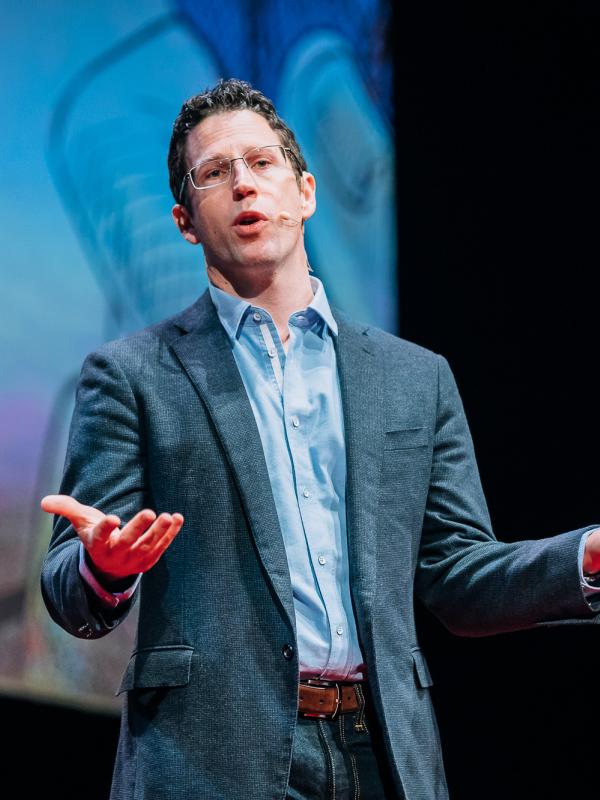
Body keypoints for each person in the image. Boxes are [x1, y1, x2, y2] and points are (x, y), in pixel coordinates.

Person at [40, 78, 600, 800]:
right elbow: (69, 584)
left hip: (382, 753)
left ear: (305, 191)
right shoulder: (132, 375)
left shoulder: (414, 378)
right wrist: (104, 567)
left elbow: (459, 576)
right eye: (215, 173)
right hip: (208, 760)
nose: (243, 184)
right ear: (185, 220)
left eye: (262, 162)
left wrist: (583, 557)